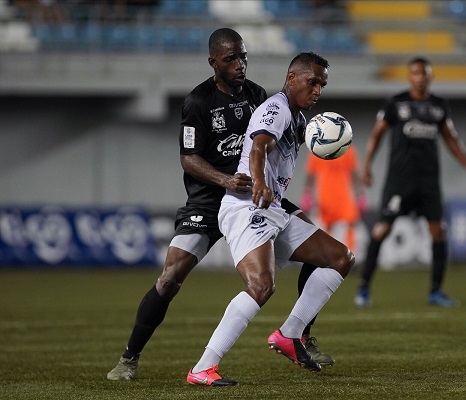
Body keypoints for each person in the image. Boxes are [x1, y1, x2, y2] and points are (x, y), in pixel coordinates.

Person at [107, 28, 333, 381]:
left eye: (243, 56)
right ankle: (129, 357)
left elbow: (275, 138)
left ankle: (300, 333)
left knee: (319, 245)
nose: (240, 64)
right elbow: (188, 158)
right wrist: (227, 180)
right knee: (170, 278)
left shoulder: (259, 96)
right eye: (231, 59)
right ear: (214, 62)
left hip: (256, 194)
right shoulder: (198, 101)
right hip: (211, 198)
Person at [186, 52, 354, 387]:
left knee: (340, 257)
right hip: (247, 207)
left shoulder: (299, 120)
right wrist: (260, 182)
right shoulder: (275, 108)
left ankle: (290, 334)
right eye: (312, 81)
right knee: (262, 286)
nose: (318, 89)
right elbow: (259, 147)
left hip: (273, 208)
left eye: (322, 84)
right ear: (292, 78)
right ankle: (203, 368)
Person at [354, 56, 466, 309]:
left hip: (429, 181)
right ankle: (364, 287)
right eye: (415, 73)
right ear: (409, 77)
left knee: (438, 231)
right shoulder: (396, 103)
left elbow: (451, 138)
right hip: (399, 180)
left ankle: (435, 291)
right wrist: (366, 165)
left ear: (430, 76)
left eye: (424, 73)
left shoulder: (439, 105)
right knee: (382, 230)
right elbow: (377, 134)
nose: (420, 77)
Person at [301, 145, 366, 253]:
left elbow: (354, 174)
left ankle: (351, 254)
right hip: (325, 196)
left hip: (344, 196)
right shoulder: (317, 150)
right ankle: (329, 256)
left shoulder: (348, 149)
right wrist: (307, 193)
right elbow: (310, 175)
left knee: (351, 223)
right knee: (327, 227)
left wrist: (360, 194)